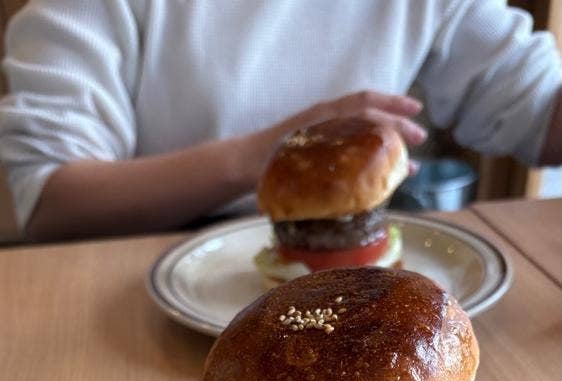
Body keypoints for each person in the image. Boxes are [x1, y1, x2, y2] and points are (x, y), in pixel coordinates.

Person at [0, 0, 560, 242]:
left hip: (361, 285)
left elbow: (539, 111)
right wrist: (268, 154)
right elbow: (51, 199)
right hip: (138, 286)